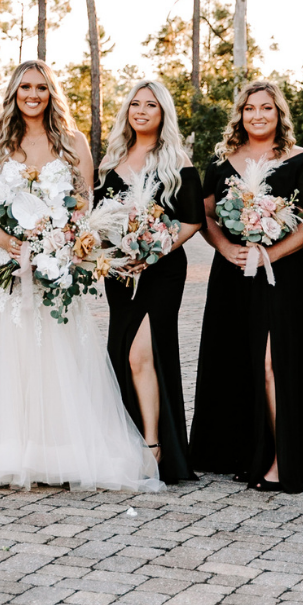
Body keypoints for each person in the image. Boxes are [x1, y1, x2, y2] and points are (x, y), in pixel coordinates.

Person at [0, 60, 162, 492]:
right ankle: (5, 446)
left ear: (51, 94)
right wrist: (10, 243)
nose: (33, 95)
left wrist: (62, 243)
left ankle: (59, 448)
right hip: (6, 259)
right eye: (25, 87)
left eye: (41, 88)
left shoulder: (73, 141)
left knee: (58, 346)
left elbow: (85, 206)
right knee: (9, 345)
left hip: (59, 258)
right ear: (14, 92)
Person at [190, 80, 303, 493]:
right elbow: (204, 215)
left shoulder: (300, 160)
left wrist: (272, 254)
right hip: (232, 273)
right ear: (240, 114)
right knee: (237, 359)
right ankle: (244, 453)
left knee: (271, 362)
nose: (258, 115)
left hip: (280, 274)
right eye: (250, 108)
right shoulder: (222, 162)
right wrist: (225, 247)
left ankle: (285, 459)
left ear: (279, 113)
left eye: (266, 108)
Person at [94, 80, 204, 486]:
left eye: (151, 105)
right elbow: (99, 219)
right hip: (121, 272)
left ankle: (153, 446)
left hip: (161, 271)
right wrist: (110, 253)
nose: (141, 111)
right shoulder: (111, 161)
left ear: (163, 113)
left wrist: (155, 249)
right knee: (122, 352)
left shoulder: (176, 161)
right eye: (135, 104)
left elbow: (192, 220)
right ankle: (123, 443)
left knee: (143, 354)